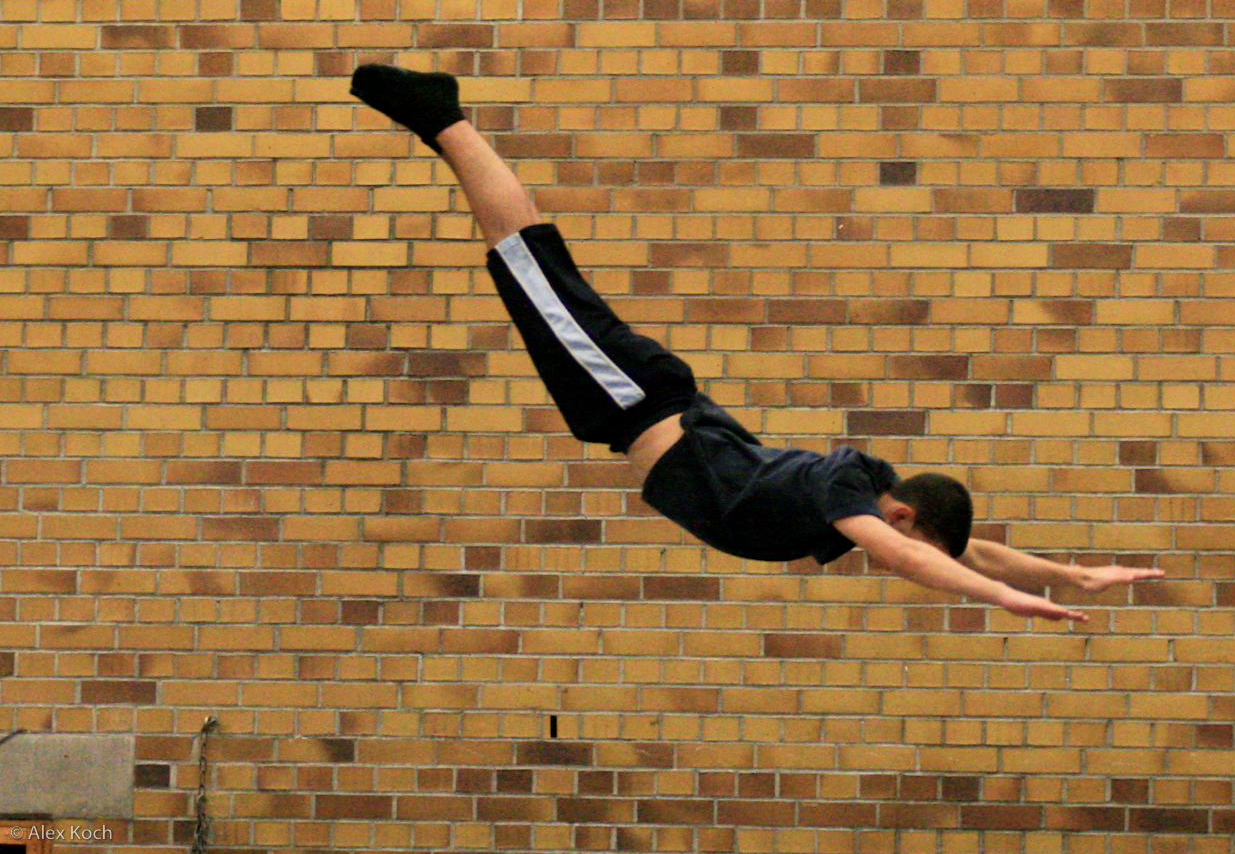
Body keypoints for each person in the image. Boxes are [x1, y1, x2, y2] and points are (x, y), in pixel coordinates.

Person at [349, 64, 1166, 623]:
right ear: (901, 514)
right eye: (898, 539)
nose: (888, 557)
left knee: (533, 262)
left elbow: (970, 551)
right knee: (526, 261)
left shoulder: (860, 492)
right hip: (635, 399)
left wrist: (1070, 573)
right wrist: (1009, 602)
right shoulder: (850, 495)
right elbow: (923, 559)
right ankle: (444, 119)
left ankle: (445, 122)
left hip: (640, 399)